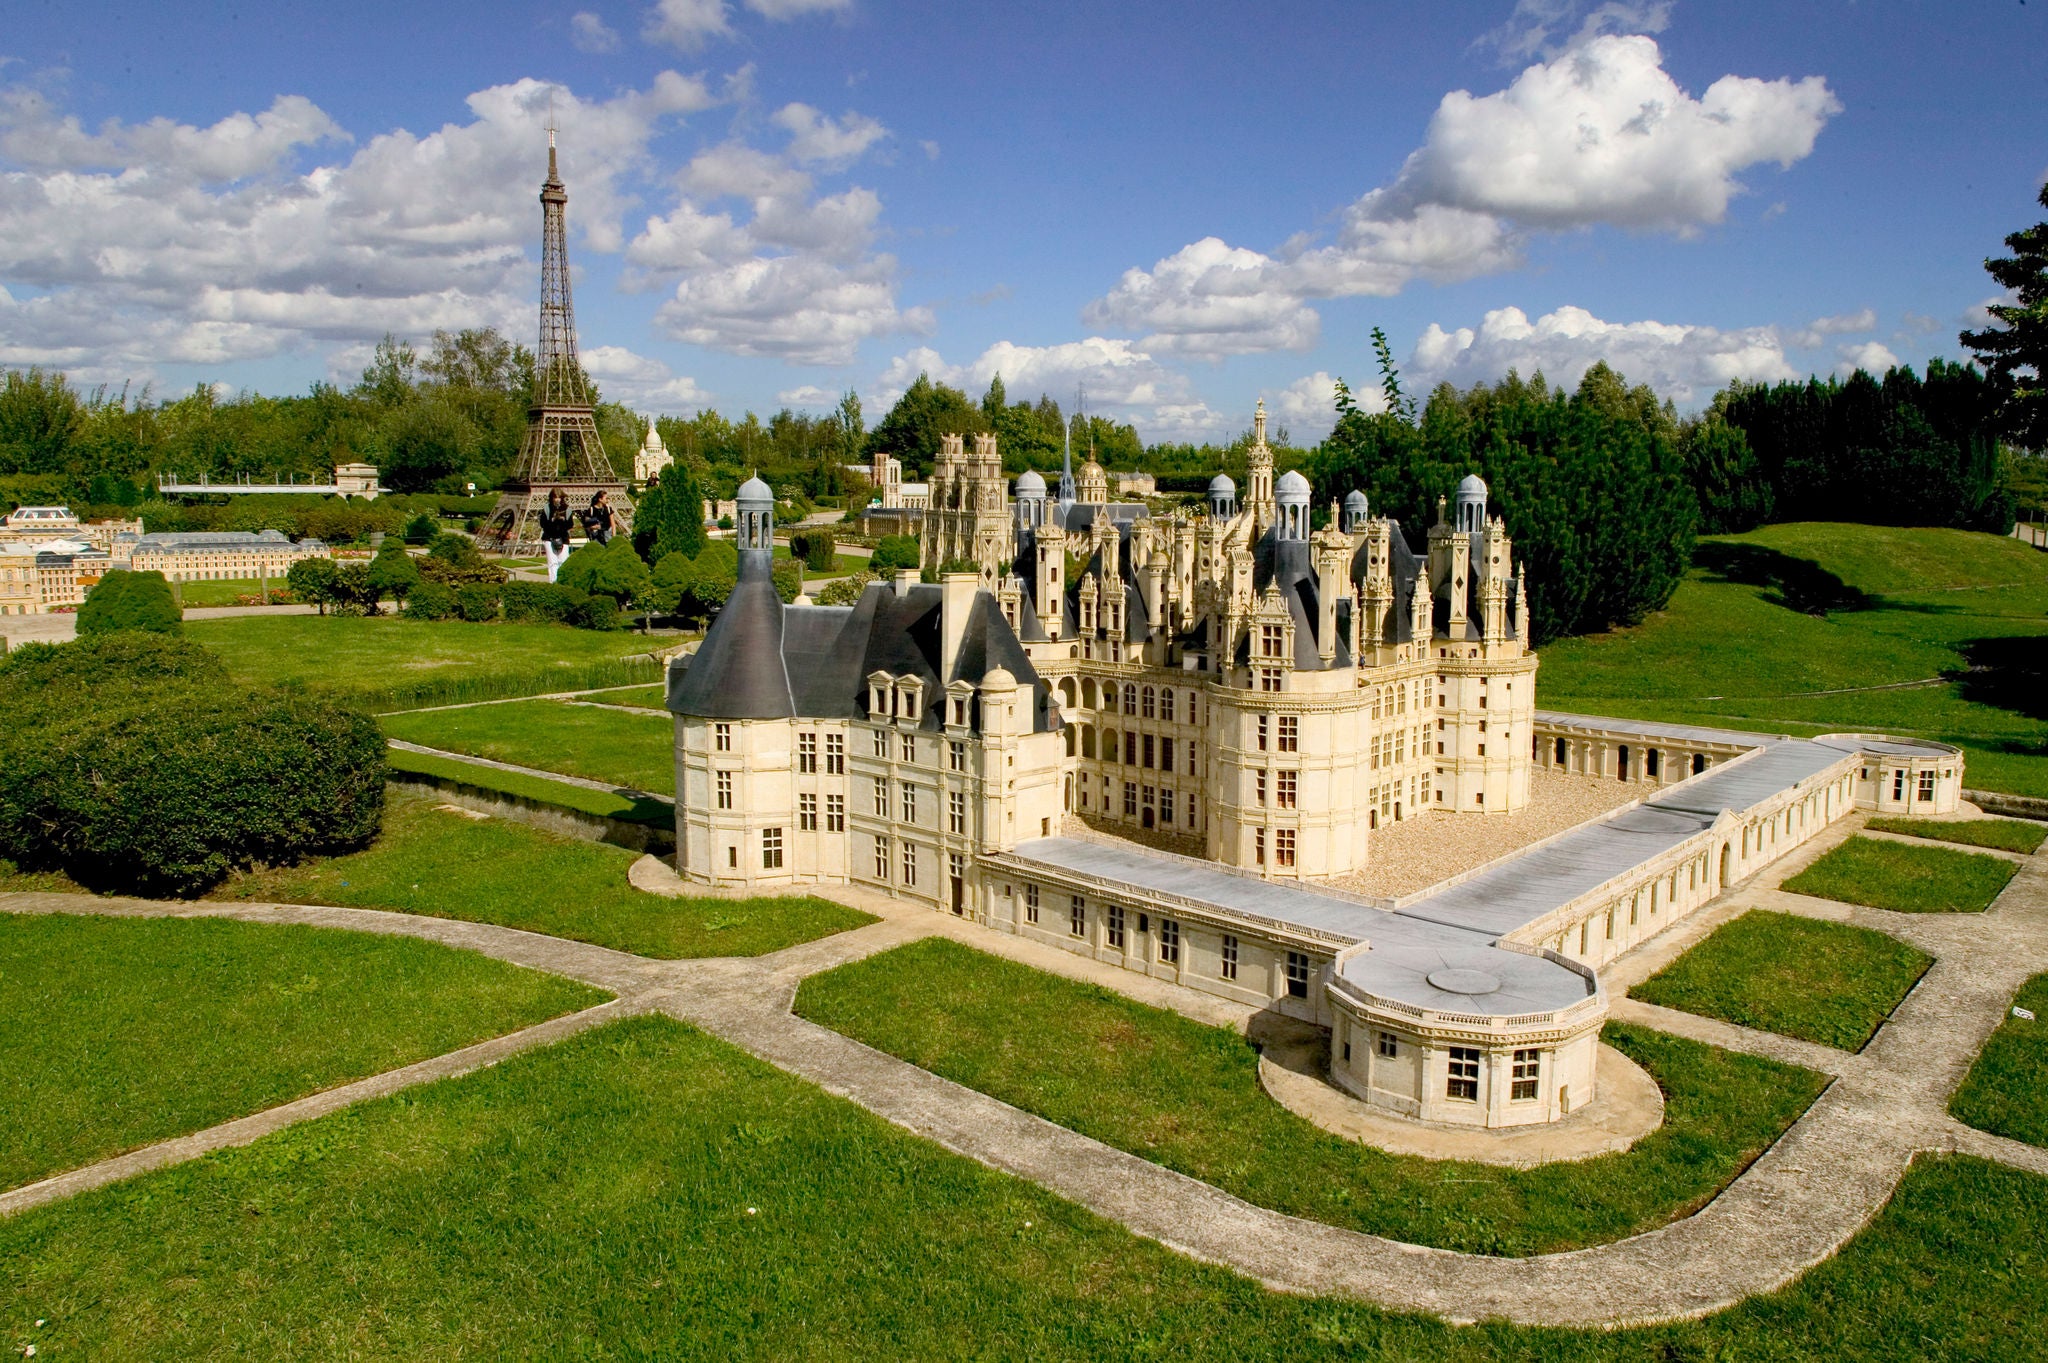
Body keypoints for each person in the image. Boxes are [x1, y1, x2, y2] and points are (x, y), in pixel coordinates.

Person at [539, 488, 574, 582]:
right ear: (552, 498)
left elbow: (570, 524)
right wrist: (552, 520)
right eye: (555, 497)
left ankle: (562, 581)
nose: (557, 499)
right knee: (552, 563)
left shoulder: (567, 509)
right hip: (549, 537)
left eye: (559, 497)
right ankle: (553, 582)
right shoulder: (547, 508)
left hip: (563, 538)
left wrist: (563, 520)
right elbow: (542, 524)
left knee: (563, 561)